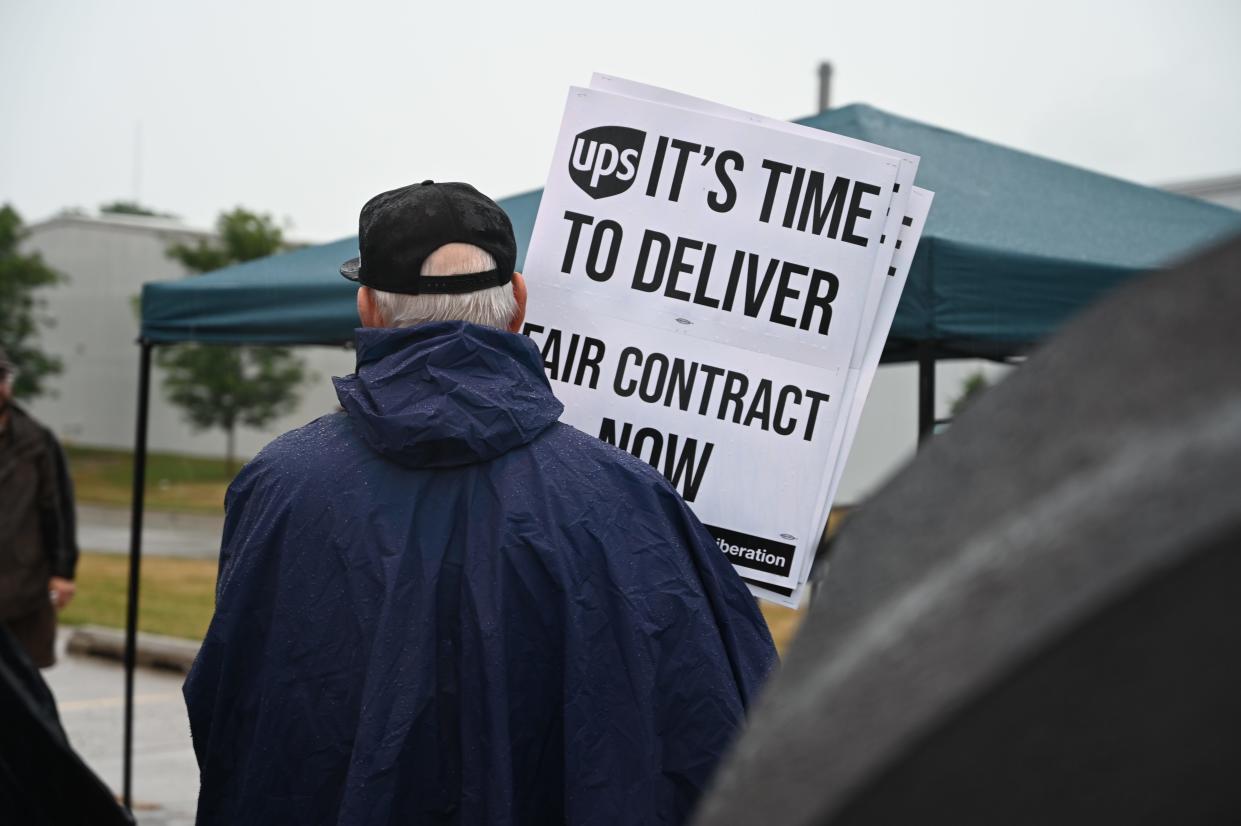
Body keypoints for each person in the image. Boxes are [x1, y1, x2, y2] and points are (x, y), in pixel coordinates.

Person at [184, 181, 777, 825]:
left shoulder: (278, 486)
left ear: (368, 309)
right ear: (518, 301)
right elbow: (720, 731)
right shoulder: (631, 499)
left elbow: (231, 713)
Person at [0, 348, 78, 669]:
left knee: (22, 686)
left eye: (2, 377)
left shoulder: (36, 441)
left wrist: (63, 571)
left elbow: (57, 506)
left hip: (24, 584)